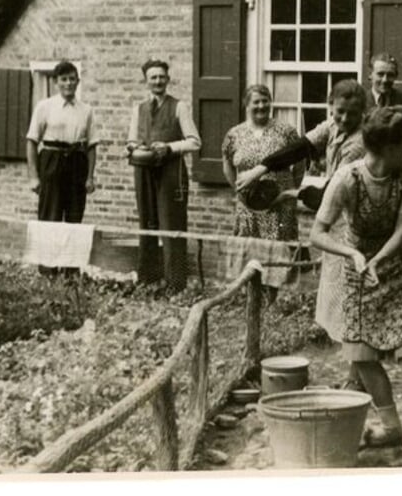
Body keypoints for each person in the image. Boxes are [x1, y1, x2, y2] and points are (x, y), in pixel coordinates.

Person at [309, 106, 402, 466]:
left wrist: (379, 259)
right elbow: (317, 233)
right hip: (357, 264)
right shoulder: (347, 180)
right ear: (387, 149)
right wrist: (351, 254)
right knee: (361, 354)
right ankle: (392, 426)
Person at [235, 79, 368, 388]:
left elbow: (332, 193)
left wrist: (291, 194)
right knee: (342, 301)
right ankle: (355, 375)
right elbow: (300, 148)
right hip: (337, 226)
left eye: (351, 114)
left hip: (353, 227)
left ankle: (358, 378)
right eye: (338, 113)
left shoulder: (358, 143)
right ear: (330, 108)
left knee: (352, 301)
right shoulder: (332, 127)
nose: (344, 119)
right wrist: (261, 169)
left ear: (362, 112)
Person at [125, 59, 201, 293]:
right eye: (153, 78)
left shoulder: (179, 107)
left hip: (171, 172)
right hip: (145, 171)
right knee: (146, 222)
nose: (157, 81)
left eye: (161, 77)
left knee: (172, 224)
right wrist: (135, 148)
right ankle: (148, 279)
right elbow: (131, 140)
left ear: (168, 79)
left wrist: (169, 147)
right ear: (146, 81)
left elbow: (195, 142)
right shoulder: (138, 109)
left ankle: (175, 283)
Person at [221, 85, 303, 298]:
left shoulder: (286, 131)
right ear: (246, 104)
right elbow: (227, 163)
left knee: (276, 246)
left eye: (265, 100)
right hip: (248, 205)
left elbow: (300, 163)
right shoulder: (234, 134)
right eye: (256, 101)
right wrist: (237, 190)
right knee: (249, 245)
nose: (261, 106)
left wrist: (289, 191)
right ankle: (250, 295)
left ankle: (273, 297)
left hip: (278, 203)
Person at [25, 60, 99, 223]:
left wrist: (90, 177)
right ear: (55, 82)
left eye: (72, 79)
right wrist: (33, 176)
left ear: (78, 82)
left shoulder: (86, 110)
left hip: (77, 163)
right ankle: (47, 249)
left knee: (75, 215)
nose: (68, 83)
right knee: (49, 215)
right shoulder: (44, 106)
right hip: (52, 161)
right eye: (64, 79)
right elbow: (31, 141)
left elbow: (92, 145)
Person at [365, 52, 402, 128]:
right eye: (380, 74)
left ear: (396, 76)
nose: (385, 80)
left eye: (390, 75)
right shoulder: (361, 101)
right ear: (370, 74)